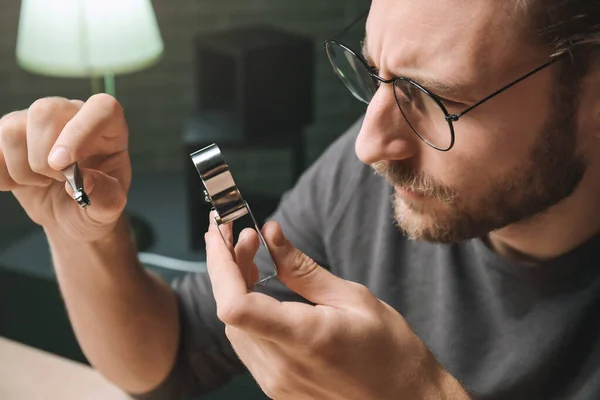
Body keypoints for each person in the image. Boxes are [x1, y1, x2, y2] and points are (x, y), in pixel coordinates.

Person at [1, 0, 599, 398]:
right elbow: (170, 353)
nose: (369, 145)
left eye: (434, 99)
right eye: (376, 76)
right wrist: (83, 235)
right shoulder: (365, 176)